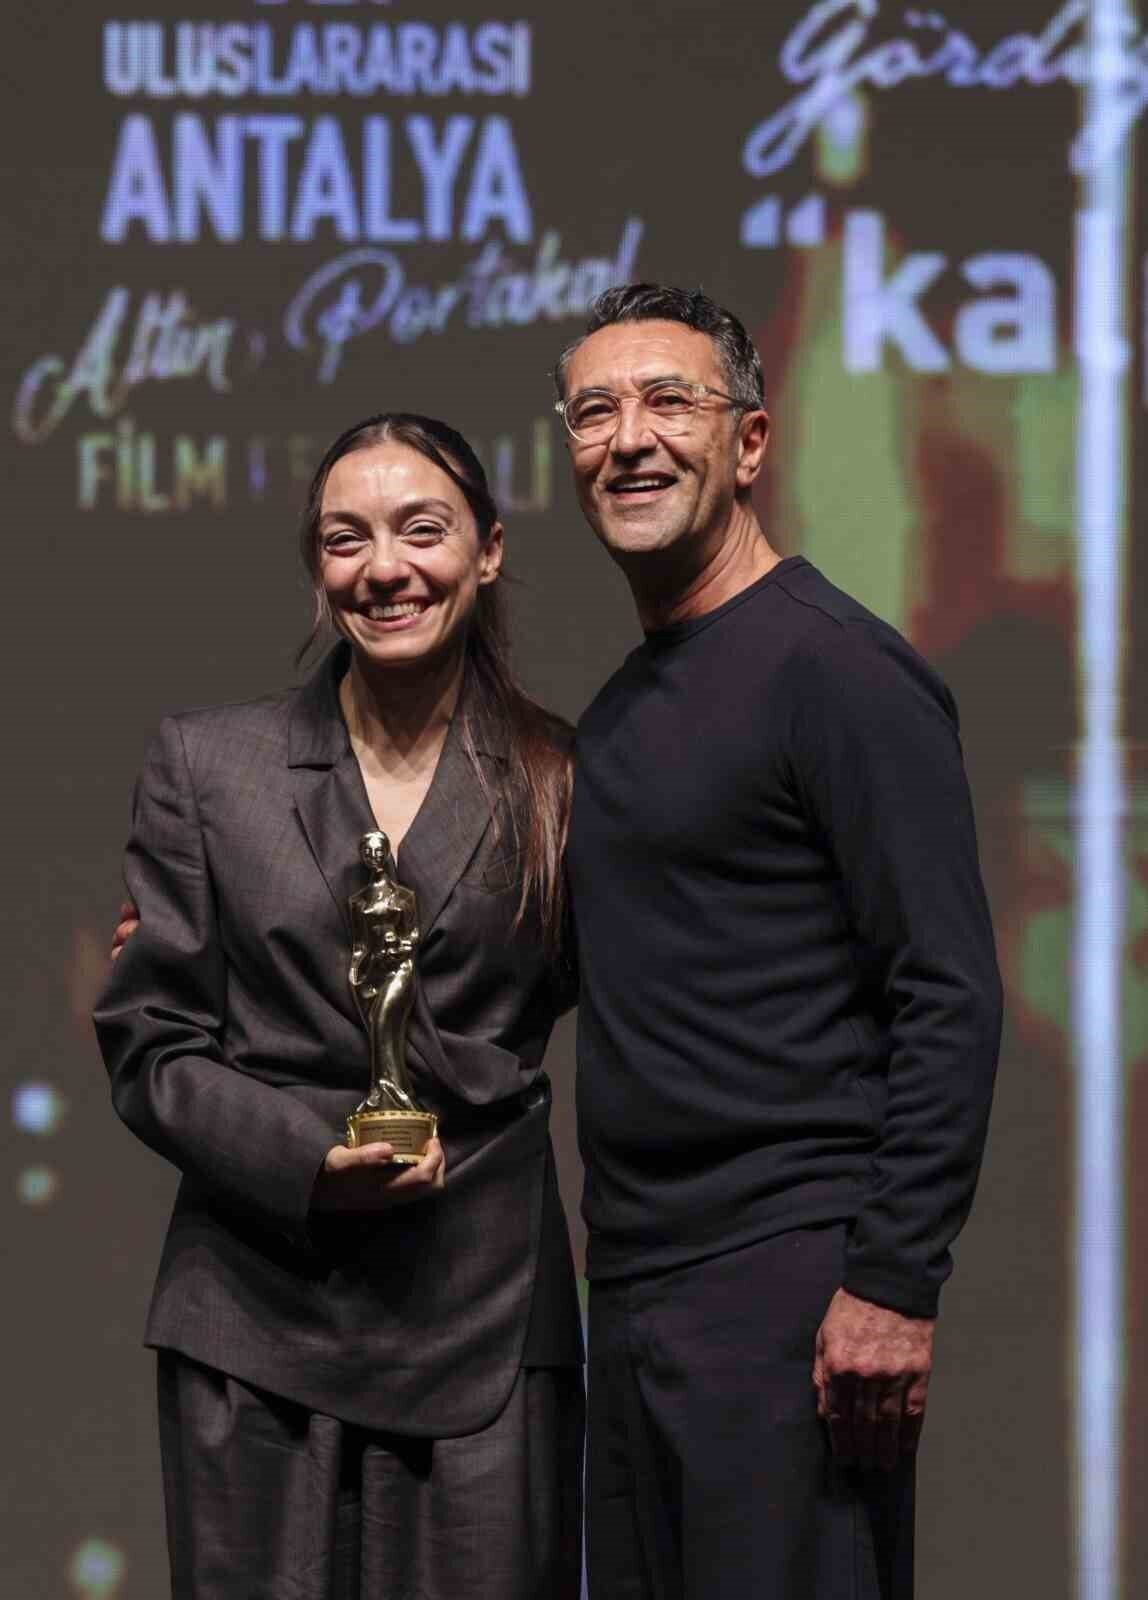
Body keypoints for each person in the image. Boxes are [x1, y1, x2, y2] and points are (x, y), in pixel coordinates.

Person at [552, 284, 1003, 1600]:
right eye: (594, 411)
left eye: (668, 401)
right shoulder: (619, 711)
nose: (629, 438)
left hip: (788, 1293)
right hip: (631, 1290)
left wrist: (893, 1282)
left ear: (748, 442)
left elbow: (947, 990)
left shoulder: (837, 670)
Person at [94, 413, 584, 1600]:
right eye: (344, 538)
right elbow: (150, 1043)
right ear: (317, 566)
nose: (383, 568)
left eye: (422, 530)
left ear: (488, 550)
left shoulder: (566, 778)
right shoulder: (210, 766)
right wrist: (308, 1155)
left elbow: (648, 1002)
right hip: (254, 1310)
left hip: (483, 1304)